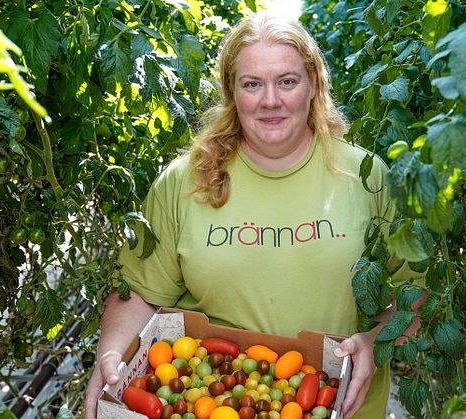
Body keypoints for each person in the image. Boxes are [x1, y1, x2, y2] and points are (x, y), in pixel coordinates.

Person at [84, 12, 410, 418]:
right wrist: (113, 352)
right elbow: (141, 295)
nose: (270, 100)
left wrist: (376, 343)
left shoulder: (365, 177)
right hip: (207, 402)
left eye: (287, 81)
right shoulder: (183, 183)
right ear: (231, 92)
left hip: (337, 405)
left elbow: (412, 297)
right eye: (252, 84)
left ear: (314, 85)